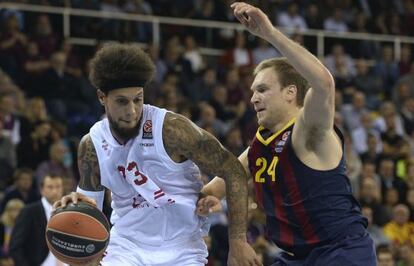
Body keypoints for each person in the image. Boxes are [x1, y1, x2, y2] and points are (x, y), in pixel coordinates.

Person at [198, 2, 376, 265]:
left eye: (262, 90)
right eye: (252, 92)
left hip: (340, 252)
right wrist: (206, 195)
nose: (253, 99)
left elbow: (324, 83)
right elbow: (227, 178)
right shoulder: (262, 141)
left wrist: (269, 33)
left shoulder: (308, 130)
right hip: (295, 256)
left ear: (291, 92)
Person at [52, 43, 260, 266]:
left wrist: (238, 242)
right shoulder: (91, 145)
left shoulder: (172, 130)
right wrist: (75, 206)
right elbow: (88, 211)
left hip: (183, 247)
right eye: (122, 101)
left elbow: (233, 171)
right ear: (102, 97)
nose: (131, 111)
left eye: (137, 99)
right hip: (126, 247)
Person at [9, 175, 66, 266]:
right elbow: (15, 246)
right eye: (50, 187)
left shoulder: (70, 211)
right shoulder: (29, 211)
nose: (55, 191)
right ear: (42, 190)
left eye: (58, 187)